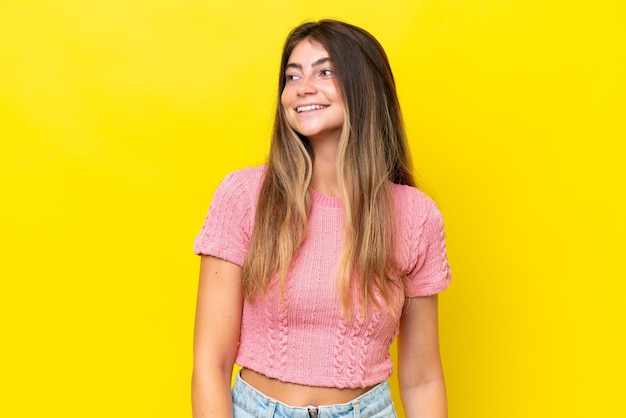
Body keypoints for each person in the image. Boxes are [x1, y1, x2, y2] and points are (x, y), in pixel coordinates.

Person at [192, 19, 451, 418]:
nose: (302, 87)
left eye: (325, 71)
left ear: (365, 87)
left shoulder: (415, 217)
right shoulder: (244, 197)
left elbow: (422, 377)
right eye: (292, 76)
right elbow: (210, 364)